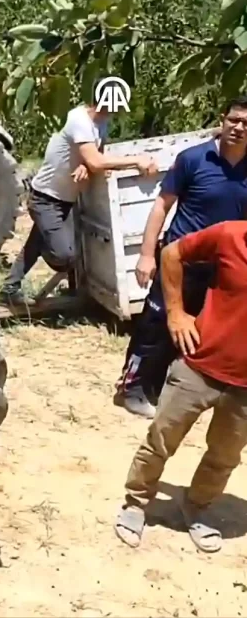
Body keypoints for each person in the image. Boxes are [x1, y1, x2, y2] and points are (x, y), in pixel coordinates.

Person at [113, 219, 247, 553]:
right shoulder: (230, 234)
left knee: (225, 455)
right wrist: (176, 313)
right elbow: (172, 252)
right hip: (199, 365)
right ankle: (135, 503)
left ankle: (197, 507)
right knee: (161, 438)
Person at [114, 96, 247, 419]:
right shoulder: (193, 159)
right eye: (234, 120)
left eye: (246, 124)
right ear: (222, 120)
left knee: (195, 332)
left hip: (221, 268)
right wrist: (147, 255)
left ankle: (162, 390)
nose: (239, 128)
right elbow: (161, 206)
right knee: (156, 326)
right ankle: (131, 387)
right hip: (180, 262)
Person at [0, 97, 158, 306]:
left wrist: (86, 164)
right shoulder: (79, 120)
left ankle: (10, 288)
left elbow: (95, 155)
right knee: (65, 256)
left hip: (66, 197)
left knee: (52, 245)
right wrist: (135, 160)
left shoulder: (102, 123)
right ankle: (41, 247)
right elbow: (96, 161)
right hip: (45, 197)